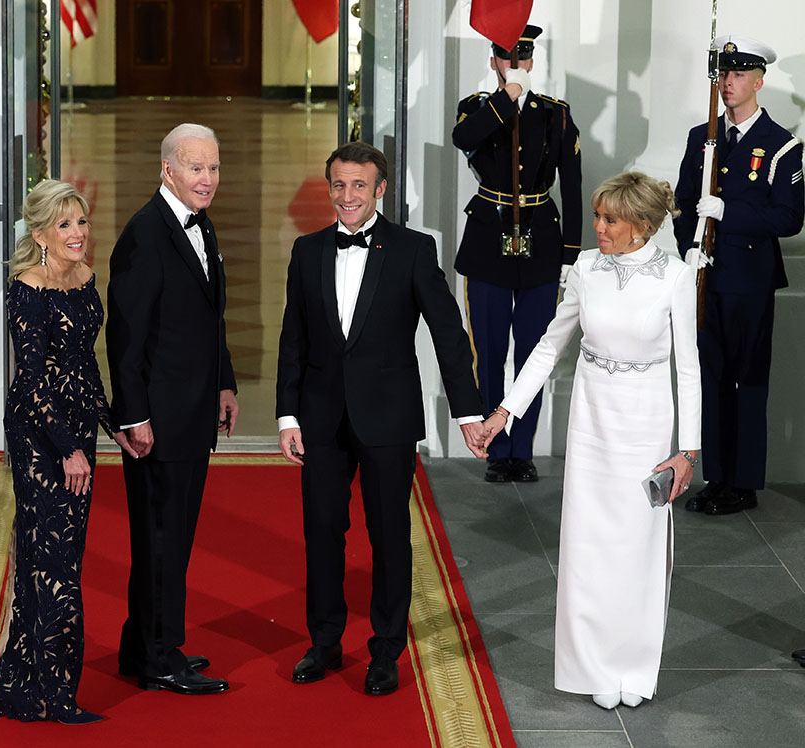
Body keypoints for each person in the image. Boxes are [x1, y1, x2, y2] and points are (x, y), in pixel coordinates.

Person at [276, 142, 486, 696]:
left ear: (381, 190)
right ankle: (323, 643)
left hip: (388, 420)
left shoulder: (414, 250)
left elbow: (448, 333)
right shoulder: (307, 250)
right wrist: (287, 415)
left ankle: (386, 650)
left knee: (389, 536)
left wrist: (468, 411)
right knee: (322, 533)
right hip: (320, 419)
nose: (348, 196)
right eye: (339, 185)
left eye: (359, 186)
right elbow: (292, 339)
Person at [484, 172, 701, 709]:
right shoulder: (584, 267)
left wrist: (688, 450)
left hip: (647, 426)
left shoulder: (676, 276)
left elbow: (690, 369)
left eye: (609, 219)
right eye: (598, 216)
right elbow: (548, 345)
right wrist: (505, 410)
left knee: (637, 547)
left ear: (642, 227)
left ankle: (632, 666)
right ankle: (591, 668)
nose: (597, 227)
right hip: (592, 420)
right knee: (588, 545)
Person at [105, 123, 238, 695]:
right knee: (161, 538)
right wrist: (132, 418)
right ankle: (159, 658)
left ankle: (143, 645)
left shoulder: (197, 224)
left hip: (192, 409)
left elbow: (209, 317)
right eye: (196, 168)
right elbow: (125, 338)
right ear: (168, 170)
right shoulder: (144, 235)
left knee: (172, 536)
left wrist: (224, 385)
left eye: (212, 167)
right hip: (158, 422)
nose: (207, 179)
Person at [0, 180, 123, 724]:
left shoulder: (87, 278)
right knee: (54, 566)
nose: (78, 234)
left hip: (76, 431)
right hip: (40, 435)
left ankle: (19, 686)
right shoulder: (28, 286)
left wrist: (111, 424)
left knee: (60, 557)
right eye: (65, 224)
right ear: (40, 233)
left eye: (82, 222)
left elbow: (83, 364)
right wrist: (67, 449)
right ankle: (57, 694)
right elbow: (31, 381)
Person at [674, 35, 804, 516]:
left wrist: (730, 211)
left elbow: (789, 218)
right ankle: (716, 476)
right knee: (710, 378)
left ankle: (744, 482)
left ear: (759, 81)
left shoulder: (781, 144)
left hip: (749, 280)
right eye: (724, 74)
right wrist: (690, 246)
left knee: (747, 380)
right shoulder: (701, 137)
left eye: (739, 75)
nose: (728, 83)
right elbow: (684, 200)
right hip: (706, 275)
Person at [452, 23, 582, 484]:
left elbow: (572, 184)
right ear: (494, 62)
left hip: (541, 241)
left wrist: (571, 254)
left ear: (531, 60)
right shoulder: (478, 109)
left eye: (522, 57)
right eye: (506, 58)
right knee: (488, 350)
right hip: (489, 240)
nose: (515, 65)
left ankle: (520, 450)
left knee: (533, 350)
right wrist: (506, 97)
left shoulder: (555, 115)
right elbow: (464, 140)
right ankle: (492, 446)